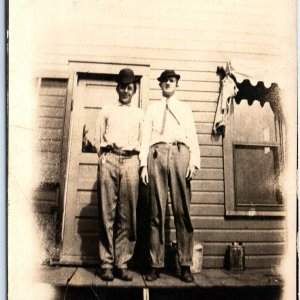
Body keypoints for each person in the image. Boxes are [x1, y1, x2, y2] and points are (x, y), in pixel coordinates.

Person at [139, 70, 200, 282]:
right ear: (160, 85)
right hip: (156, 154)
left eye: (171, 80)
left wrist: (193, 161)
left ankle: (185, 265)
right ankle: (155, 264)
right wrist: (143, 165)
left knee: (182, 211)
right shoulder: (153, 109)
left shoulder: (184, 108)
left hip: (180, 153)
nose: (168, 83)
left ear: (176, 84)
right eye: (164, 81)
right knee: (156, 212)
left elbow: (192, 134)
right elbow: (145, 136)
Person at [97, 68, 144, 281]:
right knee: (107, 213)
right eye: (122, 87)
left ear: (134, 91)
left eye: (129, 88)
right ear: (117, 88)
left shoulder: (140, 114)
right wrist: (104, 157)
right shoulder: (107, 110)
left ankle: (122, 263)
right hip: (110, 158)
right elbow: (99, 138)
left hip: (131, 160)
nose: (126, 91)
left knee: (128, 215)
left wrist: (138, 163)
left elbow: (143, 142)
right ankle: (106, 263)